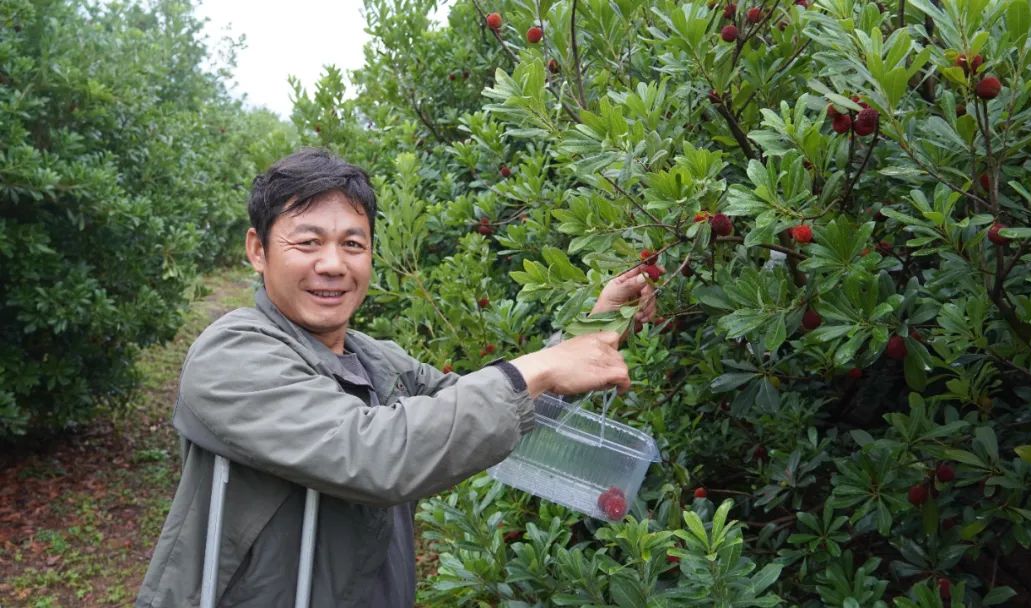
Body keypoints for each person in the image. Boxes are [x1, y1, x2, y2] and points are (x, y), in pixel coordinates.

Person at [136, 148, 657, 607]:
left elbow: (490, 411)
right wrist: (536, 369)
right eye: (308, 242)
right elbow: (375, 455)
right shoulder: (231, 356)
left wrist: (597, 324)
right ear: (258, 250)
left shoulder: (375, 360)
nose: (333, 264)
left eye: (353, 244)